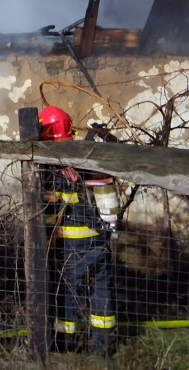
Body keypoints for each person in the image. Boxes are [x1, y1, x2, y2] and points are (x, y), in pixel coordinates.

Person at [39, 105, 118, 356]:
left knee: (66, 290)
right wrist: (110, 229)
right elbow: (106, 197)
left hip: (71, 243)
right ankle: (102, 346)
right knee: (102, 289)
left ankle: (64, 344)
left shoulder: (53, 162)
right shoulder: (88, 154)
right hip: (101, 237)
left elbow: (49, 207)